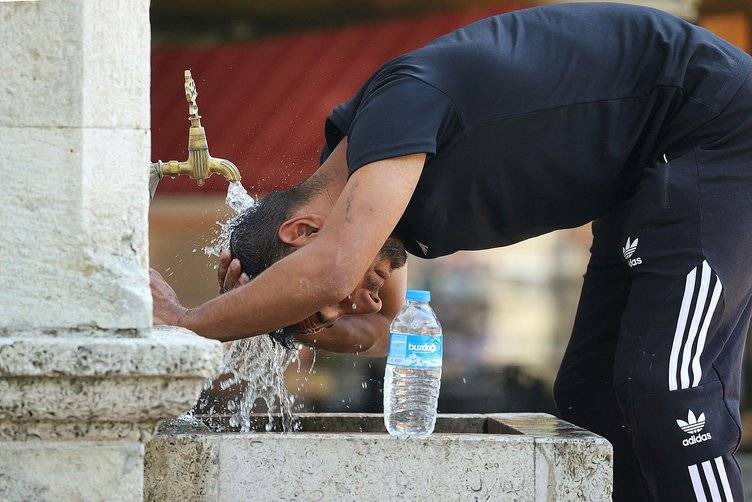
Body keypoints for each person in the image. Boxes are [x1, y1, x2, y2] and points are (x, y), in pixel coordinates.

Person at [150, 4, 752, 500]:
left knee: (667, 386)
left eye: (333, 299)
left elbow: (332, 271)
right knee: (592, 398)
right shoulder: (385, 204)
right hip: (647, 174)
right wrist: (288, 309)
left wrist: (186, 323)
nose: (354, 299)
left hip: (711, 124)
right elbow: (380, 324)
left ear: (302, 232)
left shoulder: (392, 113)